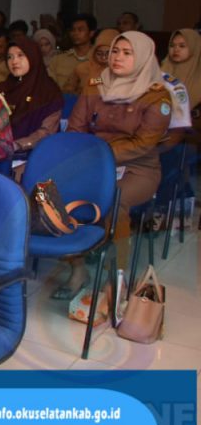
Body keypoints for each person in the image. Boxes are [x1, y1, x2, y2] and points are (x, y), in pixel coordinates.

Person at [65, 31, 172, 282]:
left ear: (143, 57)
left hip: (137, 169)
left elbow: (143, 144)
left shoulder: (157, 95)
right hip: (92, 163)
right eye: (115, 51)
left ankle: (116, 275)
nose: (117, 57)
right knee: (60, 192)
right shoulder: (95, 85)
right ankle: (77, 267)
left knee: (114, 198)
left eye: (127, 53)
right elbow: (75, 129)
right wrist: (87, 159)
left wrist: (98, 156)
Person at [0, 38, 63, 153]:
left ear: (33, 57)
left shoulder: (49, 92)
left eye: (20, 55)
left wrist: (17, 145)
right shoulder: (1, 89)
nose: (14, 61)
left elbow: (46, 132)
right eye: (9, 57)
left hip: (34, 154)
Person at [161, 28, 201, 135]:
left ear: (194, 47)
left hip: (193, 134)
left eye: (182, 46)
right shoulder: (160, 70)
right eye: (172, 46)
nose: (176, 49)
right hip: (159, 128)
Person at [48, 13, 96, 92]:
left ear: (91, 33)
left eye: (80, 30)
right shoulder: (58, 60)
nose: (75, 33)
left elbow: (104, 81)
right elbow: (48, 86)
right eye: (72, 30)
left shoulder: (100, 59)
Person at [70, 28, 118, 96]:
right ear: (94, 53)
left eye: (108, 53)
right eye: (99, 53)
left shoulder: (123, 70)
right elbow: (68, 90)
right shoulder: (82, 68)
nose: (103, 57)